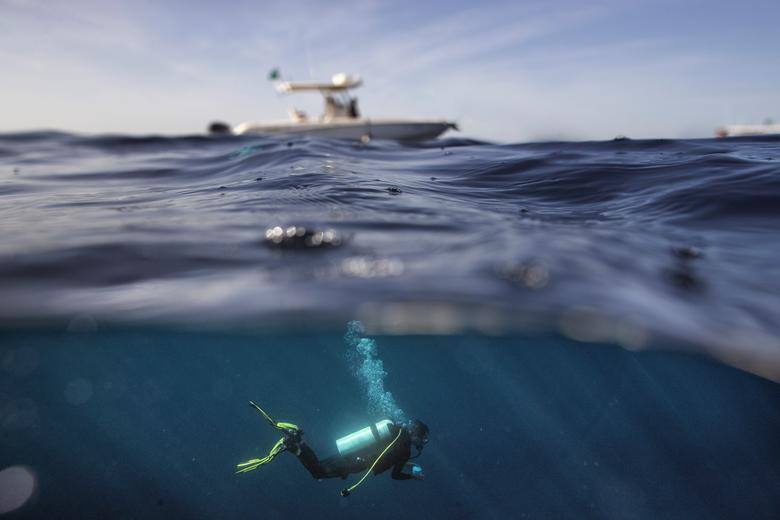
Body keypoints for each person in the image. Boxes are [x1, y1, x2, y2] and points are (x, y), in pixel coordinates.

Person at [283, 419, 429, 491]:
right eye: (422, 438)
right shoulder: (405, 450)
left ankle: (298, 442)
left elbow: (388, 453)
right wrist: (412, 476)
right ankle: (295, 446)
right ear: (415, 434)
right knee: (318, 472)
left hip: (354, 451)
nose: (422, 442)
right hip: (358, 463)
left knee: (319, 468)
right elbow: (395, 475)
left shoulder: (396, 431)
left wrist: (408, 464)